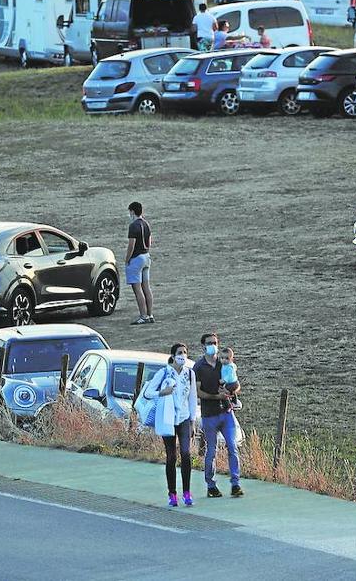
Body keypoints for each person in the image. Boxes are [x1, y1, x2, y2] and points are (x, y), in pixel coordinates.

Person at [143, 342, 197, 507]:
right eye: (180, 353)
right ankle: (172, 493)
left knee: (186, 454)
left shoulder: (190, 373)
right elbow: (147, 392)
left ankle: (187, 492)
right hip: (168, 419)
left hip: (184, 417)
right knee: (171, 456)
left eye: (185, 353)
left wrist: (193, 420)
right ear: (173, 356)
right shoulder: (164, 372)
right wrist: (162, 393)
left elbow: (192, 397)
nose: (183, 355)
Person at [194, 332, 243, 498]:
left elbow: (236, 383)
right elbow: (198, 392)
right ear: (203, 346)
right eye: (209, 343)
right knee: (211, 450)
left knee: (232, 446)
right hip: (209, 414)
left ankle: (235, 483)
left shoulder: (224, 362)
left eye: (215, 342)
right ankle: (211, 484)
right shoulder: (199, 367)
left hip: (226, 412)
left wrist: (231, 391)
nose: (212, 345)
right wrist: (217, 396)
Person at [126, 201, 153, 324]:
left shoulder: (133, 226)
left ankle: (143, 316)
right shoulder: (146, 224)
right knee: (146, 287)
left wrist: (127, 259)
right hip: (146, 256)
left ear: (132, 211)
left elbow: (131, 245)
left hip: (137, 258)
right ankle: (150, 314)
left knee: (137, 289)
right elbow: (149, 242)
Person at [219, 346, 242, 411]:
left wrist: (224, 380)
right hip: (233, 382)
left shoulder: (229, 367)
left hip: (232, 383)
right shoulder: (225, 365)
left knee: (224, 393)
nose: (224, 360)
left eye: (227, 358)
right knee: (232, 393)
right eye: (222, 358)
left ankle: (228, 405)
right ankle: (235, 402)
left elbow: (229, 375)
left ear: (231, 359)